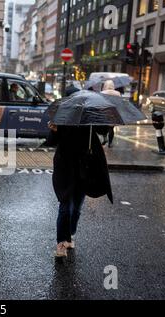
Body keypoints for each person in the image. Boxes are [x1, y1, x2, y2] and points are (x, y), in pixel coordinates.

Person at [47, 88, 113, 258]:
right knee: (65, 206)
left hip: (85, 168)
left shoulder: (90, 117)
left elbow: (104, 131)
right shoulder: (62, 117)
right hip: (65, 167)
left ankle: (71, 234)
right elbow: (51, 142)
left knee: (76, 207)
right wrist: (54, 131)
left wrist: (107, 120)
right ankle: (61, 243)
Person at [101, 80, 121, 148]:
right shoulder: (117, 93)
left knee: (104, 126)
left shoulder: (102, 92)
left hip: (105, 112)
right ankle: (110, 143)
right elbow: (119, 103)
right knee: (111, 128)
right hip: (113, 112)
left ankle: (104, 138)